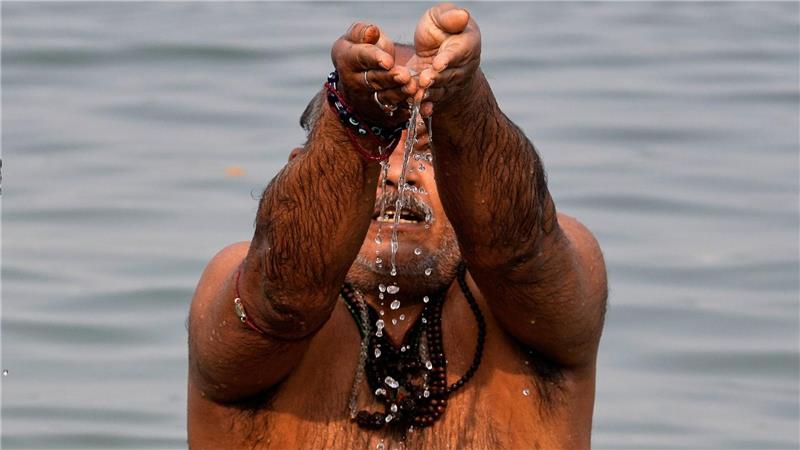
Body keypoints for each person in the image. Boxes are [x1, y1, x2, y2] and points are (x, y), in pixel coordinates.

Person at [187, 3, 607, 449]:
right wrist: (355, 121)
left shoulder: (550, 287)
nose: (397, 172)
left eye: (425, 151)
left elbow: (517, 254)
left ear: (463, 178)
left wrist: (462, 101)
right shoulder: (236, 286)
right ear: (301, 170)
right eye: (380, 148)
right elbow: (285, 297)